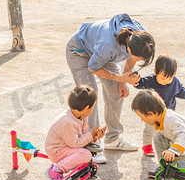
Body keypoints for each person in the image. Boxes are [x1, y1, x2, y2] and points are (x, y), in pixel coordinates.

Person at [66, 13, 155, 164]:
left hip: (102, 54)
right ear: (128, 48)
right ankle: (92, 142)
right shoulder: (108, 45)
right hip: (79, 51)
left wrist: (123, 81)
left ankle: (112, 139)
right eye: (136, 57)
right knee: (89, 96)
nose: (137, 61)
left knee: (116, 91)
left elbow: (132, 58)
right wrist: (121, 78)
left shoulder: (142, 38)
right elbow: (93, 67)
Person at [134, 55, 185, 157]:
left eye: (169, 78)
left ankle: (170, 148)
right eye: (163, 78)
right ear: (155, 72)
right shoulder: (151, 80)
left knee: (169, 132)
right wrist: (135, 79)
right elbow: (140, 83)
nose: (166, 81)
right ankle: (147, 146)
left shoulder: (174, 82)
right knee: (149, 130)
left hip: (167, 115)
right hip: (152, 114)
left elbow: (181, 91)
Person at [45, 85, 107, 180]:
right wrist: (90, 135)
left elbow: (82, 136)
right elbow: (75, 144)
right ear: (86, 108)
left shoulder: (81, 115)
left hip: (67, 146)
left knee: (92, 147)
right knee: (85, 154)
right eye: (93, 106)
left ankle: (83, 171)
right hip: (57, 151)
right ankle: (57, 170)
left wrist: (95, 137)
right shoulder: (67, 122)